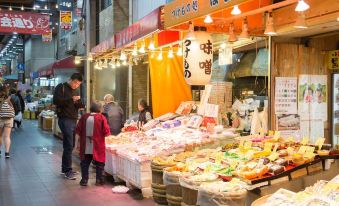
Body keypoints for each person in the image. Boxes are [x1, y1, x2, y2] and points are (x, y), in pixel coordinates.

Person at [53, 73, 83, 180]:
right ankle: (67, 170)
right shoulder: (61, 87)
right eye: (75, 83)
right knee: (69, 145)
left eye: (78, 84)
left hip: (73, 119)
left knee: (70, 144)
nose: (76, 86)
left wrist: (81, 104)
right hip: (64, 119)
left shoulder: (77, 90)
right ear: (70, 79)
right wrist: (71, 99)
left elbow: (77, 105)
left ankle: (65, 169)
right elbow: (56, 101)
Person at [74, 101, 110, 186]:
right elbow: (106, 132)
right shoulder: (101, 118)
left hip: (85, 144)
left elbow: (77, 132)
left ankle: (84, 180)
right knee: (100, 163)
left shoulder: (84, 117)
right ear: (100, 109)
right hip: (98, 144)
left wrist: (76, 145)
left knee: (85, 162)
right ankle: (98, 180)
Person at [0, 86, 15, 158]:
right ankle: (7, 153)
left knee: (0, 136)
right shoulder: (10, 98)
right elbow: (13, 108)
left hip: (0, 118)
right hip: (9, 118)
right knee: (7, 136)